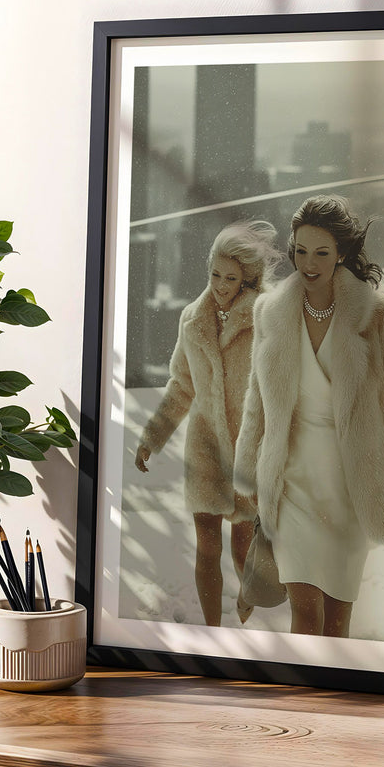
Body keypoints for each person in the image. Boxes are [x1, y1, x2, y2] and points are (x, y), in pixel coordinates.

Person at [234, 195, 384, 638]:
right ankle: (305, 706)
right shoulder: (270, 313)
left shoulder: (376, 315)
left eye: (321, 253)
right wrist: (248, 477)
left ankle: (332, 702)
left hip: (353, 490)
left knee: (337, 620)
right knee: (305, 615)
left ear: (343, 255)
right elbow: (257, 403)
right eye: (300, 250)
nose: (308, 263)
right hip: (293, 485)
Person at [135, 220, 282, 627]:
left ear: (246, 279)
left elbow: (281, 388)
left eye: (230, 278)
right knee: (206, 546)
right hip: (204, 448)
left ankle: (250, 596)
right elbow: (181, 385)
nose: (220, 284)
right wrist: (152, 437)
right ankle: (212, 631)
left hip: (249, 448)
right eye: (215, 274)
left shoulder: (265, 319)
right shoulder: (191, 320)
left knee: (242, 547)